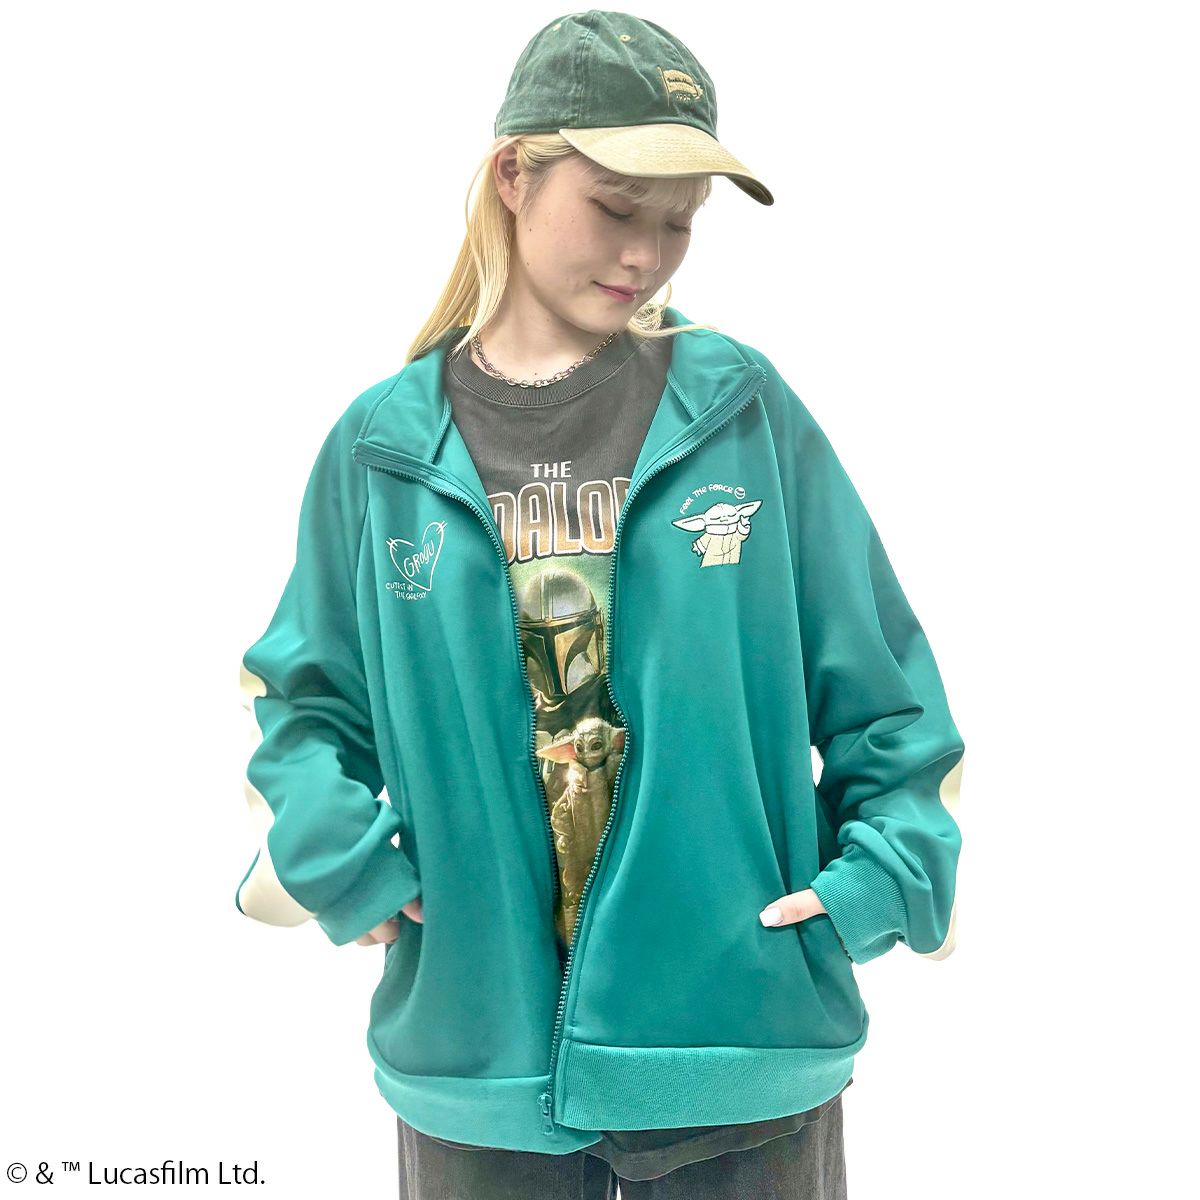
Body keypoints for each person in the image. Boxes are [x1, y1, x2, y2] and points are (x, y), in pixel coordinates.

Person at [234, 11, 965, 1199]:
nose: (646, 254)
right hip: (476, 1059)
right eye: (617, 207)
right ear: (512, 176)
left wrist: (874, 886)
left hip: (740, 1043)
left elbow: (887, 694)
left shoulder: (741, 410)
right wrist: (338, 859)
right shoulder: (384, 446)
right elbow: (305, 700)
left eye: (680, 221)